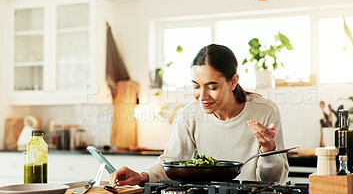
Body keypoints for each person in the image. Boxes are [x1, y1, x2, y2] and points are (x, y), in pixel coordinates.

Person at [110, 44, 289, 186]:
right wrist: (143, 176)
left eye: (212, 87)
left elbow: (273, 181)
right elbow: (172, 163)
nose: (202, 96)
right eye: (196, 86)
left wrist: (269, 151)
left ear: (233, 82)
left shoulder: (265, 111)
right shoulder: (191, 114)